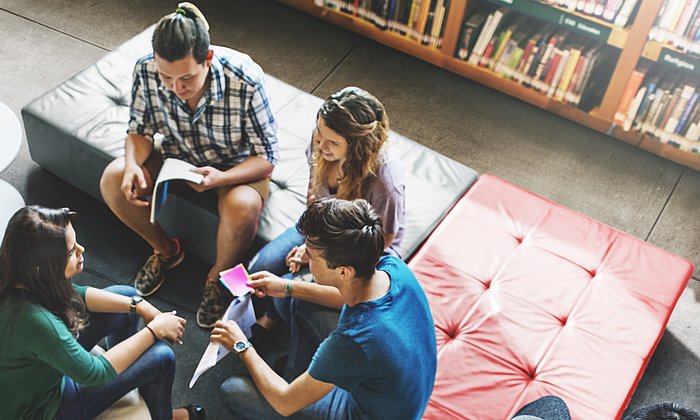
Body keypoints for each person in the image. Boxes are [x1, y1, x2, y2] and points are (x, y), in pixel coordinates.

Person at [99, 2, 278, 328]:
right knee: (113, 180)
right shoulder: (146, 69)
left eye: (186, 78)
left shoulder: (246, 80)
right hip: (175, 156)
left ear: (207, 59)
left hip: (234, 168)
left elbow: (265, 157)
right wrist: (131, 165)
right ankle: (166, 250)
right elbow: (139, 130)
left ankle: (216, 278)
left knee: (243, 205)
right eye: (166, 78)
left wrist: (221, 178)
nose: (176, 89)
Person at [212, 199, 436, 419]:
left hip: (362, 411)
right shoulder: (393, 268)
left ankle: (301, 385)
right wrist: (287, 287)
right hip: (396, 392)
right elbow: (346, 299)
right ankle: (301, 379)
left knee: (233, 389)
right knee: (295, 300)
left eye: (312, 256)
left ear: (343, 272)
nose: (305, 258)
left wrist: (241, 345)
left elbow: (284, 402)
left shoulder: (353, 342)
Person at [0, 205, 203, 420]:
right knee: (162, 357)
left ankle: (129, 380)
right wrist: (153, 330)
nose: (81, 250)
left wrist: (139, 305)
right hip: (43, 409)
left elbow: (75, 294)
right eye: (71, 252)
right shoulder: (36, 321)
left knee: (126, 295)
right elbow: (95, 373)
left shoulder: (18, 273)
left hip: (39, 372)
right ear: (40, 268)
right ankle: (162, 416)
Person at [247, 86, 405, 342]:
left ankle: (274, 317)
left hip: (360, 246)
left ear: (357, 146)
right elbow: (314, 198)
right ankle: (273, 316)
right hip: (320, 224)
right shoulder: (321, 143)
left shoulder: (385, 181)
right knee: (261, 266)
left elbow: (384, 237)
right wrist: (310, 243)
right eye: (319, 135)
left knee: (290, 287)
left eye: (332, 142)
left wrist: (315, 252)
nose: (321, 146)